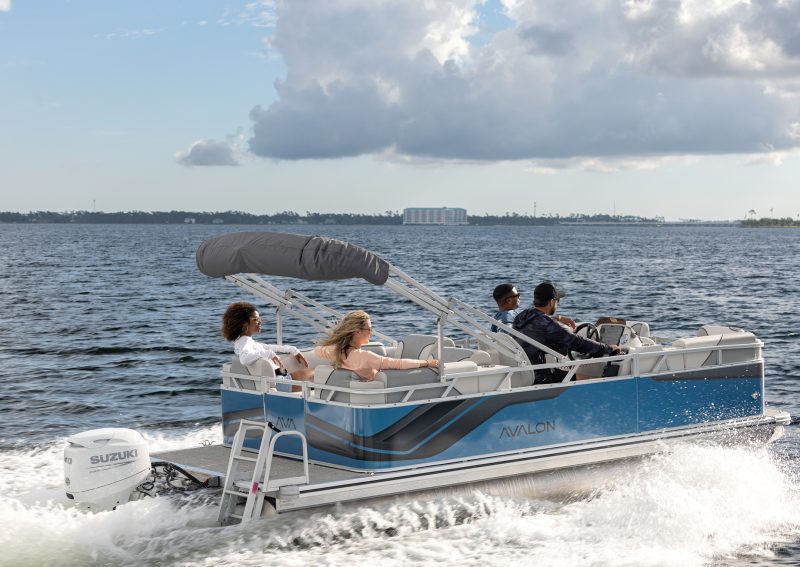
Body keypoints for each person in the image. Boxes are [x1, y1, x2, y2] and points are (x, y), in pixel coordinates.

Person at [512, 282, 620, 384]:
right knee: (581, 378)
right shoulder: (548, 324)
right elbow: (577, 342)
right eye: (557, 300)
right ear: (552, 302)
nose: (557, 304)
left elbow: (538, 323)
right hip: (536, 374)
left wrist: (558, 318)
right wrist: (608, 348)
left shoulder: (522, 316)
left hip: (521, 369)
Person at [314, 310, 439, 380]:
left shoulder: (337, 352)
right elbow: (398, 364)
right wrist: (428, 363)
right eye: (369, 329)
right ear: (357, 332)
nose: (371, 333)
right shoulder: (364, 356)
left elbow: (318, 350)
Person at [221, 301, 314, 388]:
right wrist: (269, 354)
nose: (260, 321)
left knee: (315, 374)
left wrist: (293, 350)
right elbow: (245, 359)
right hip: (282, 383)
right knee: (316, 374)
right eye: (256, 319)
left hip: (281, 381)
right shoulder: (244, 341)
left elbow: (269, 347)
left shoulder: (245, 341)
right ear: (245, 323)